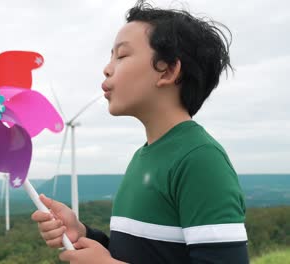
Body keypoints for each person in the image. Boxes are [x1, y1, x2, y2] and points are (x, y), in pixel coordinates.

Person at [31, 0, 249, 263]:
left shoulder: (200, 159)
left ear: (167, 70)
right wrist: (82, 232)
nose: (107, 68)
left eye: (121, 56)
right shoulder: (143, 157)